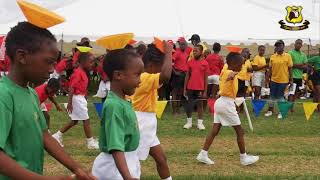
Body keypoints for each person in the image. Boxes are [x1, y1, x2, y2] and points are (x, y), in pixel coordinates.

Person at [0, 21, 95, 180]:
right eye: (48, 61)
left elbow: (44, 136)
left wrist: (77, 168)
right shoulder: (3, 95)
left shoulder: (30, 93)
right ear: (22, 56)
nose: (52, 69)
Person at [196, 52, 259, 166]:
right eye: (241, 64)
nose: (242, 66)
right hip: (226, 104)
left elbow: (228, 79)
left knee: (215, 130)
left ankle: (203, 154)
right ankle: (244, 158)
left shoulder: (225, 71)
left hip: (220, 102)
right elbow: (230, 76)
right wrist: (232, 75)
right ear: (234, 64)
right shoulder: (229, 72)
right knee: (240, 131)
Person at [92, 49, 144, 180]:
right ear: (118, 75)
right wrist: (127, 177)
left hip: (125, 162)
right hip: (115, 168)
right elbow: (116, 147)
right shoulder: (114, 106)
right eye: (137, 75)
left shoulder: (122, 102)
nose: (140, 81)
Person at [131, 42, 173, 180]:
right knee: (133, 163)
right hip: (140, 124)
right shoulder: (144, 78)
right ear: (151, 65)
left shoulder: (147, 77)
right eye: (160, 67)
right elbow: (166, 75)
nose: (161, 70)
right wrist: (168, 53)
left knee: (161, 159)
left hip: (147, 124)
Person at [52, 52, 99, 149]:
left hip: (80, 98)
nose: (92, 64)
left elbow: (82, 86)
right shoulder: (78, 73)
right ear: (83, 62)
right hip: (76, 98)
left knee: (74, 121)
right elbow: (72, 88)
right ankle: (90, 142)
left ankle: (57, 135)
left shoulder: (83, 72)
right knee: (86, 120)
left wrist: (84, 96)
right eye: (90, 62)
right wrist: (70, 103)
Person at [265, 40, 293, 119]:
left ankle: (282, 112)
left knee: (280, 96)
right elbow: (270, 69)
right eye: (277, 46)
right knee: (272, 96)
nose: (278, 47)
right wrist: (267, 80)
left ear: (283, 46)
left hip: (283, 80)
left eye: (280, 45)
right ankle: (270, 111)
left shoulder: (288, 56)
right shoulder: (273, 56)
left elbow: (290, 69)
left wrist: (291, 80)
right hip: (273, 80)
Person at [183, 44, 209, 130]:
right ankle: (189, 122)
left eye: (196, 51)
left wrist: (205, 91)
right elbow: (187, 76)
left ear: (201, 52)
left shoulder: (205, 63)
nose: (194, 52)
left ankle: (200, 123)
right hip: (190, 87)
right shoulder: (190, 62)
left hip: (200, 88)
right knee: (189, 105)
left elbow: (206, 78)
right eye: (193, 51)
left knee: (200, 105)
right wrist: (185, 89)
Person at [288, 39, 307, 111]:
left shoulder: (303, 54)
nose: (298, 45)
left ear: (301, 45)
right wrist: (301, 65)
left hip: (299, 77)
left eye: (300, 44)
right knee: (291, 93)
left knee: (296, 93)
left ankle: (291, 107)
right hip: (292, 76)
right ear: (294, 44)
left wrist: (296, 65)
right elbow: (290, 64)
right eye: (297, 43)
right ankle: (289, 108)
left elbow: (305, 66)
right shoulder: (290, 53)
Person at [171, 37, 189, 115]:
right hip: (177, 74)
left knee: (180, 93)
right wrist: (175, 72)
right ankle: (175, 111)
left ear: (186, 45)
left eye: (184, 44)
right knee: (175, 92)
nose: (182, 46)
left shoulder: (186, 54)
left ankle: (178, 109)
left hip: (184, 75)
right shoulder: (177, 52)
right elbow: (171, 62)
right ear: (179, 45)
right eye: (181, 44)